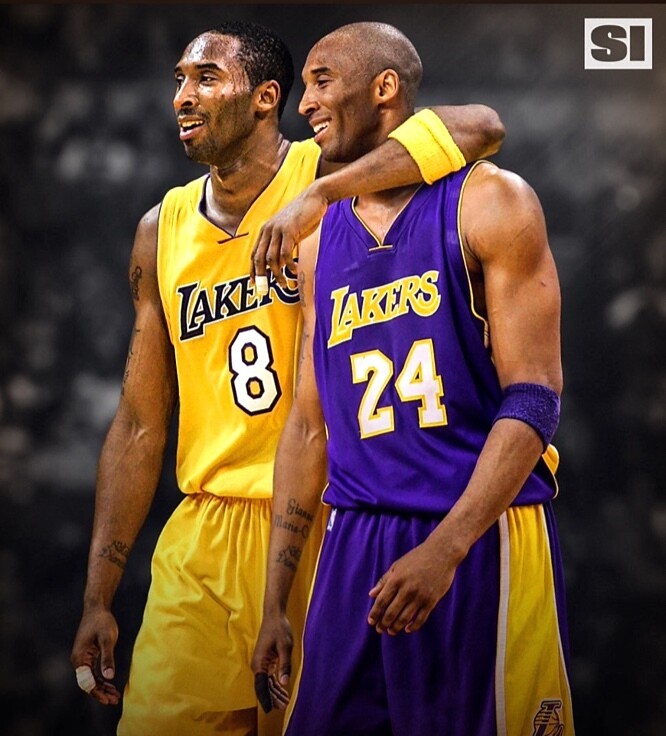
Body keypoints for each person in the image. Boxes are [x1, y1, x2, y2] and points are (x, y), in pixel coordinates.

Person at [69, 19, 505, 736]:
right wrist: (98, 595)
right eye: (179, 80)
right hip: (206, 536)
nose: (183, 95)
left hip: (328, 522)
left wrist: (320, 196)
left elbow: (479, 126)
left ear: (267, 98)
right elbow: (141, 423)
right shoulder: (160, 229)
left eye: (206, 77)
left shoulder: (329, 167)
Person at [252, 21, 574, 736]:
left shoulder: (492, 201)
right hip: (355, 540)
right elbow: (307, 424)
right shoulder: (317, 243)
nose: (305, 103)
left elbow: (535, 397)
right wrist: (277, 601)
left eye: (322, 81)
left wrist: (448, 546)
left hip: (477, 534)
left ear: (385, 88)